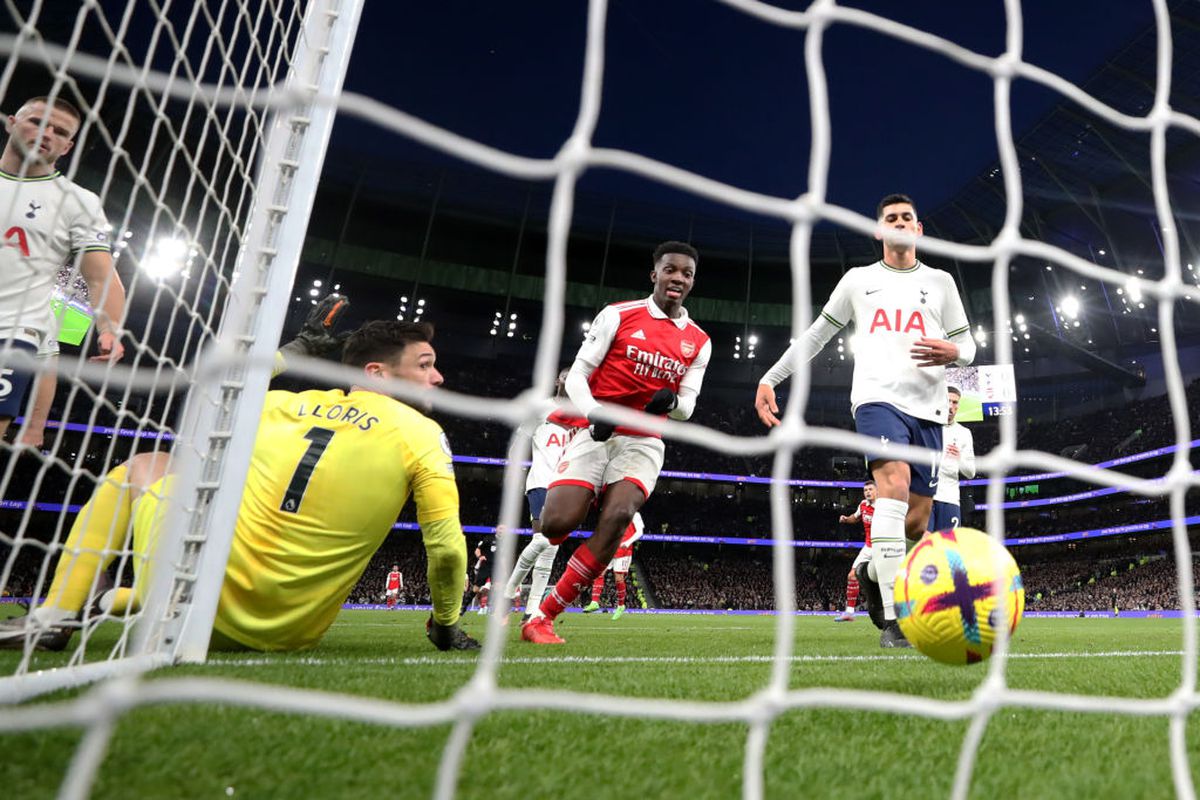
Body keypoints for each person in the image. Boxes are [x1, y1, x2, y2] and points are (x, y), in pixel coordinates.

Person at [0, 313, 480, 652]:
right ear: (377, 372)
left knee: (148, 465)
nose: (438, 377)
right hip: (288, 634)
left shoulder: (280, 406)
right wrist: (444, 624)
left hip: (188, 605)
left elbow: (219, 388)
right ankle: (106, 600)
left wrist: (292, 353)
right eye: (424, 364)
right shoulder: (423, 435)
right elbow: (446, 549)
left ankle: (60, 612)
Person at [754, 194, 975, 648]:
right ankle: (896, 619)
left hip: (929, 409)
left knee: (916, 523)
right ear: (879, 230)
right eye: (891, 218)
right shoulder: (858, 280)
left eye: (907, 217)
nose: (899, 223)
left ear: (918, 229)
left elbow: (968, 346)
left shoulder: (941, 282)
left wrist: (956, 352)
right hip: (877, 400)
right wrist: (771, 378)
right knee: (893, 486)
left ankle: (872, 573)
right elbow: (817, 334)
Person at [522, 241, 710, 645]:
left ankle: (543, 617)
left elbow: (688, 406)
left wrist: (672, 403)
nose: (678, 278)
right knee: (556, 523)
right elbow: (577, 376)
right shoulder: (618, 315)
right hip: (596, 431)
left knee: (619, 517)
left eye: (687, 273)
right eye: (671, 269)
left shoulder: (699, 340)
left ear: (693, 282)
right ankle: (583, 503)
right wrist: (594, 412)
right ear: (654, 274)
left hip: (643, 440)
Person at [0, 95, 126, 442]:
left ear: (68, 146)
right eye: (37, 122)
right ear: (12, 123)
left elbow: (100, 277)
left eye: (59, 131)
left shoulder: (77, 202)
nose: (46, 134)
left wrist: (109, 329)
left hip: (11, 332)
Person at [502, 368, 580, 621]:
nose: (570, 379)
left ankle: (531, 611)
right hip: (541, 481)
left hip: (567, 486)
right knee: (543, 540)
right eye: (566, 375)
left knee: (550, 549)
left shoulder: (583, 414)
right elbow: (520, 440)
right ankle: (508, 591)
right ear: (558, 380)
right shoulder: (542, 408)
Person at [929, 385, 975, 531]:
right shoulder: (928, 427)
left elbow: (971, 472)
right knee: (924, 541)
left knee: (948, 543)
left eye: (955, 402)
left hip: (949, 498)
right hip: (925, 495)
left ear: (958, 406)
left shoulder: (964, 433)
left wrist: (959, 458)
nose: (950, 406)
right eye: (948, 401)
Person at [582, 511, 643, 620]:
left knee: (618, 578)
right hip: (610, 549)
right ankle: (594, 602)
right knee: (599, 572)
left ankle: (621, 606)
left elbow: (640, 532)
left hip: (624, 551)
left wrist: (628, 542)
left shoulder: (634, 514)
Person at [834, 480, 876, 624]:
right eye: (865, 490)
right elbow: (856, 517)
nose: (868, 492)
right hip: (868, 547)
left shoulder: (884, 506)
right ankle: (849, 613)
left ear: (877, 491)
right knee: (852, 576)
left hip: (883, 547)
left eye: (870, 489)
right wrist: (846, 519)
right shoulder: (863, 505)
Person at [469, 541, 493, 615]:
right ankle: (483, 607)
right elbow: (476, 570)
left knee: (485, 591)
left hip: (487, 578)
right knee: (479, 593)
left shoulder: (488, 558)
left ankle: (484, 608)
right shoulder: (480, 559)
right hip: (479, 579)